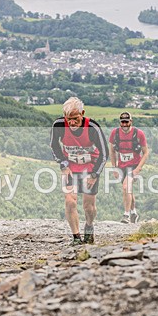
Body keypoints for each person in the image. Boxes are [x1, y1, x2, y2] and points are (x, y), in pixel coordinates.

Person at [50, 97, 108, 245]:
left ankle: (89, 225)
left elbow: (104, 153)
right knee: (70, 201)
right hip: (70, 167)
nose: (72, 122)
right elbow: (54, 146)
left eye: (75, 119)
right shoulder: (58, 125)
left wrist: (95, 174)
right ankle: (76, 238)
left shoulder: (92, 128)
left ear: (82, 113)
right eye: (68, 119)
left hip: (90, 167)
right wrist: (63, 165)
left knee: (89, 207)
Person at [109, 111, 149, 224]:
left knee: (126, 187)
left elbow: (146, 152)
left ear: (131, 121)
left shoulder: (139, 134)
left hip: (134, 165)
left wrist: (138, 168)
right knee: (128, 189)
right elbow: (112, 151)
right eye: (122, 122)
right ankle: (133, 212)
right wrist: (114, 167)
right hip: (121, 166)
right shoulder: (115, 133)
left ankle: (126, 215)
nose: (124, 124)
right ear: (120, 122)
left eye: (127, 122)